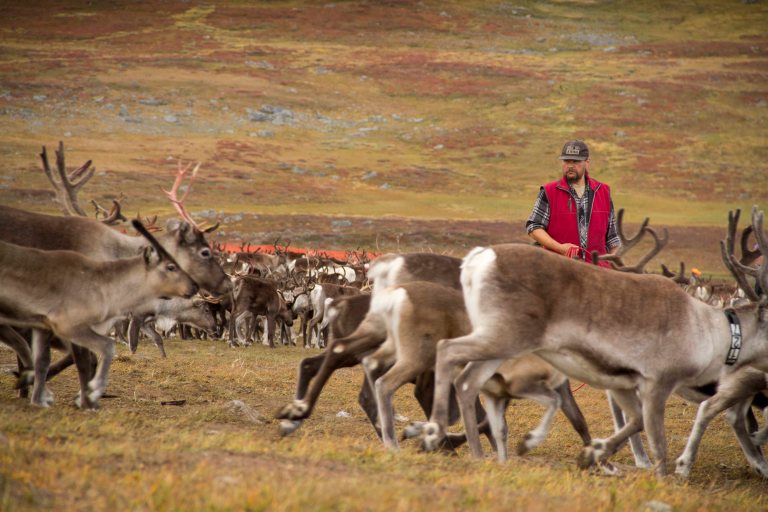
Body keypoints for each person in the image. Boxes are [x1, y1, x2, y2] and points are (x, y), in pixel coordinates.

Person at [526, 140, 620, 267]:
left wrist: (610, 267)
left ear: (587, 162)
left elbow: (612, 239)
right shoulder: (549, 192)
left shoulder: (603, 192)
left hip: (597, 274)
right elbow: (534, 228)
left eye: (576, 161)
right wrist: (560, 248)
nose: (570, 165)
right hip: (559, 269)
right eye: (566, 161)